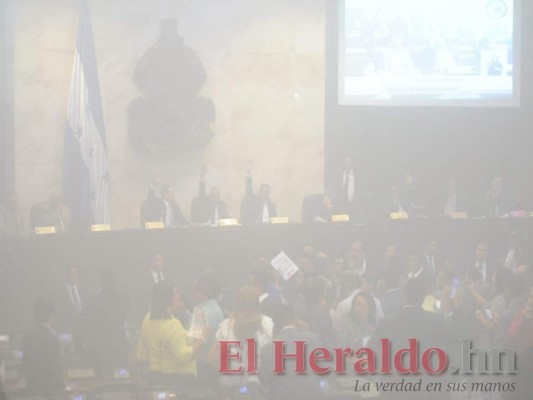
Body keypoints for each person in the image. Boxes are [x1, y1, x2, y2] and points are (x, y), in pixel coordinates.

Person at [136, 281, 200, 389]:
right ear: (167, 299)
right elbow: (182, 357)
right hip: (178, 381)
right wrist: (201, 340)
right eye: (175, 294)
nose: (179, 296)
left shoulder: (147, 319)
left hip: (154, 377)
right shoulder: (173, 325)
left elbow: (141, 353)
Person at [212, 286, 273, 397]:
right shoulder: (267, 326)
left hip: (245, 390)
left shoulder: (226, 327)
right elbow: (214, 358)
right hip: (238, 390)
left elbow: (214, 359)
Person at [77, 268, 129, 370]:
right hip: (117, 345)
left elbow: (83, 325)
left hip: (99, 347)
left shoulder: (91, 300)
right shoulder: (123, 299)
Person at [22, 297, 64, 397]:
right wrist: (63, 389)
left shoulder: (27, 336)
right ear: (51, 315)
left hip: (32, 389)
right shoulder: (52, 338)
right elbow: (55, 369)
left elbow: (25, 365)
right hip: (50, 392)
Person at [188, 271, 224, 386]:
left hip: (200, 367)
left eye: (195, 289)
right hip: (214, 365)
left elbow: (193, 344)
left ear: (203, 293)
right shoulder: (218, 310)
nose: (192, 293)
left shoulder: (200, 313)